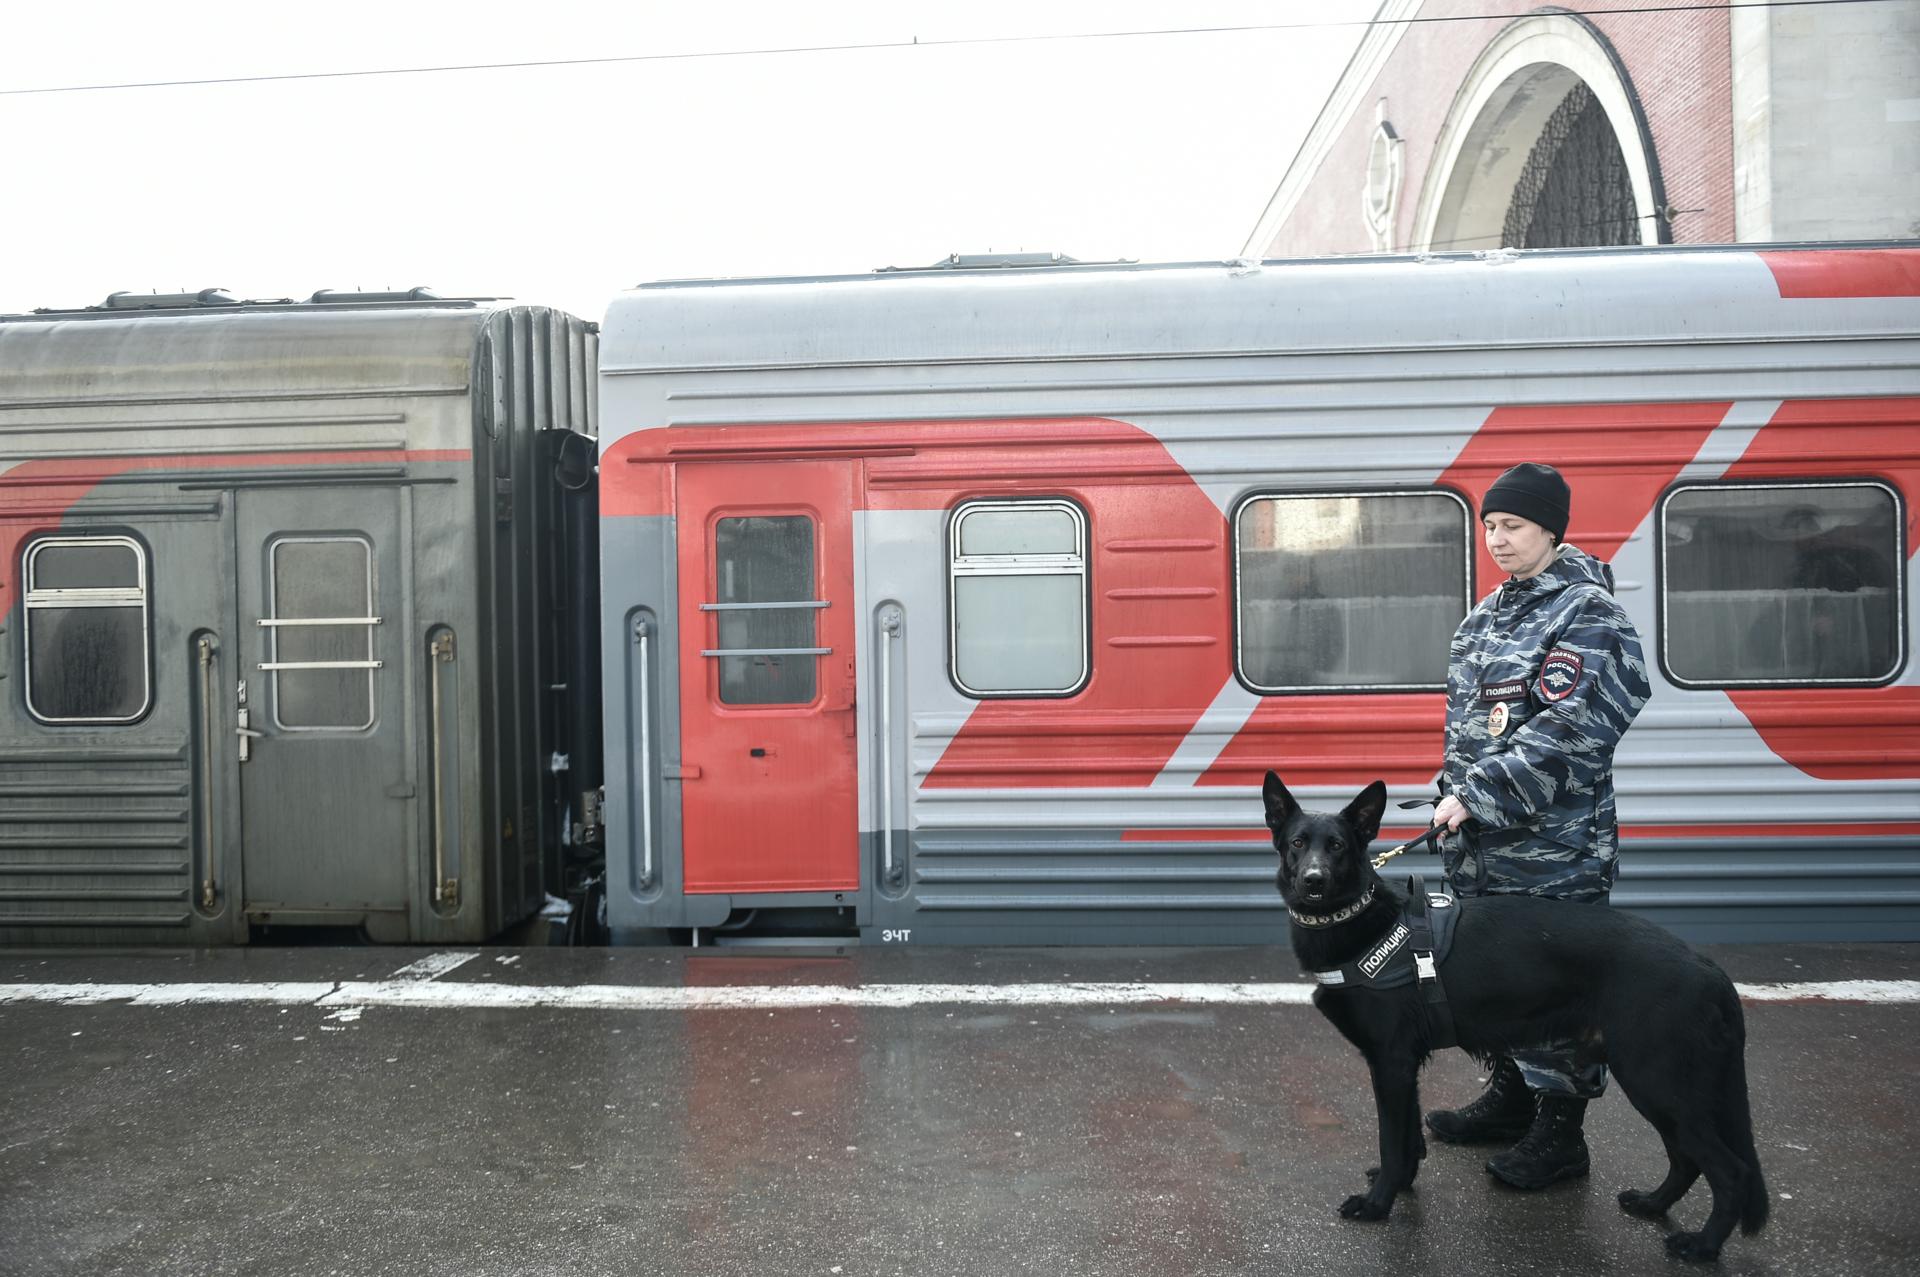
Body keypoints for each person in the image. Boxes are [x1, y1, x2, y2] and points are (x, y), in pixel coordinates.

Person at [1423, 462, 1652, 1190]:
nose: (1497, 538)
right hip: (1485, 849)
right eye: (1489, 525)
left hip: (1555, 851)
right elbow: (1472, 731)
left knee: (1558, 985)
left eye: (1513, 525)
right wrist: (1452, 792)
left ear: (1552, 528)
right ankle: (1512, 1096)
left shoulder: (1590, 614)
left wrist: (1480, 792)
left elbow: (1575, 730)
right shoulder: (1485, 618)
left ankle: (1561, 1134)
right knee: (1500, 979)